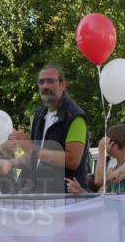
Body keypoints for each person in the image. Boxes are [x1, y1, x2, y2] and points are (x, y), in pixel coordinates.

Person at [10, 64, 89, 193]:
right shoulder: (39, 114)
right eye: (41, 82)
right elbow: (36, 156)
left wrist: (32, 148)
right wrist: (8, 164)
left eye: (50, 81)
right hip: (41, 193)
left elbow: (73, 160)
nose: (45, 86)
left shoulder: (74, 117)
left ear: (63, 84)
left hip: (66, 196)